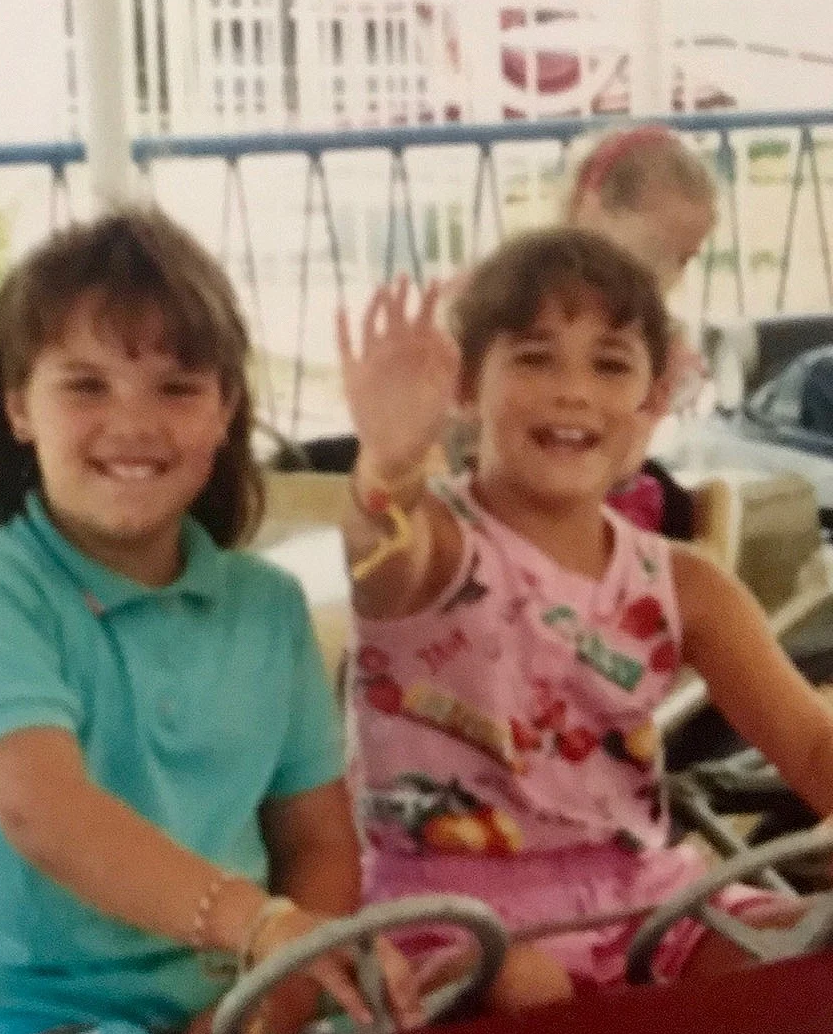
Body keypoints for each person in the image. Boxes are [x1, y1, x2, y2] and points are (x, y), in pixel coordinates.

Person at [0, 209, 424, 1034]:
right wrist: (257, 927)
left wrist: (281, 995)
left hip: (222, 1001)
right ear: (19, 405)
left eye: (177, 388)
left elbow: (316, 840)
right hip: (21, 1010)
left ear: (223, 413)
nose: (132, 424)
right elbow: (43, 812)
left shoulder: (263, 606)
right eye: (86, 385)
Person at [337, 226, 833, 992]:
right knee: (525, 987)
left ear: (652, 399)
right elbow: (380, 549)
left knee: (803, 946)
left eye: (610, 365)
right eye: (534, 358)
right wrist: (387, 466)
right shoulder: (436, 543)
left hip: (642, 897)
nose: (574, 391)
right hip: (450, 915)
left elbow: (809, 745)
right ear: (466, 388)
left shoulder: (684, 583)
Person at [566, 125, 717, 537]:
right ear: (590, 212)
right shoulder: (506, 303)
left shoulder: (656, 338)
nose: (666, 279)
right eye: (652, 254)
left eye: (683, 260)